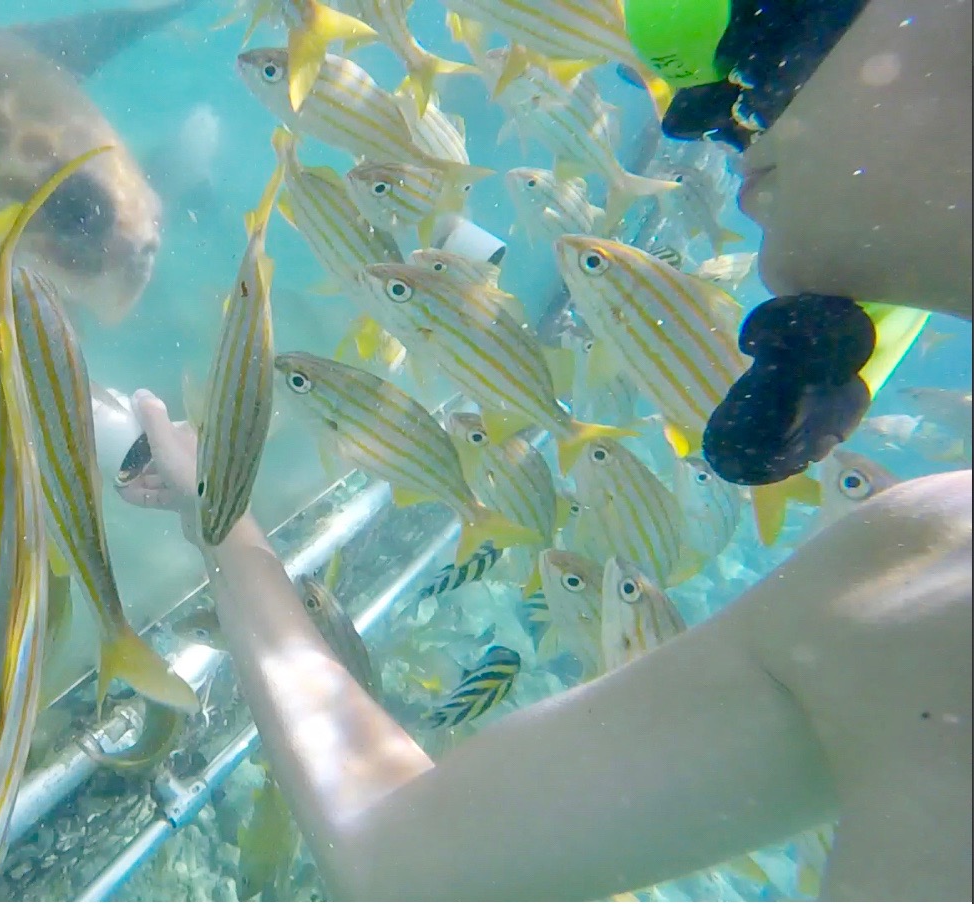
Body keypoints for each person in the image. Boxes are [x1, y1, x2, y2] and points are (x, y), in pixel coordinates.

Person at [114, 0, 971, 898]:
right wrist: (219, 516)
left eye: (773, 34)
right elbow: (398, 852)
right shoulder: (911, 561)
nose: (712, 116)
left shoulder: (929, 582)